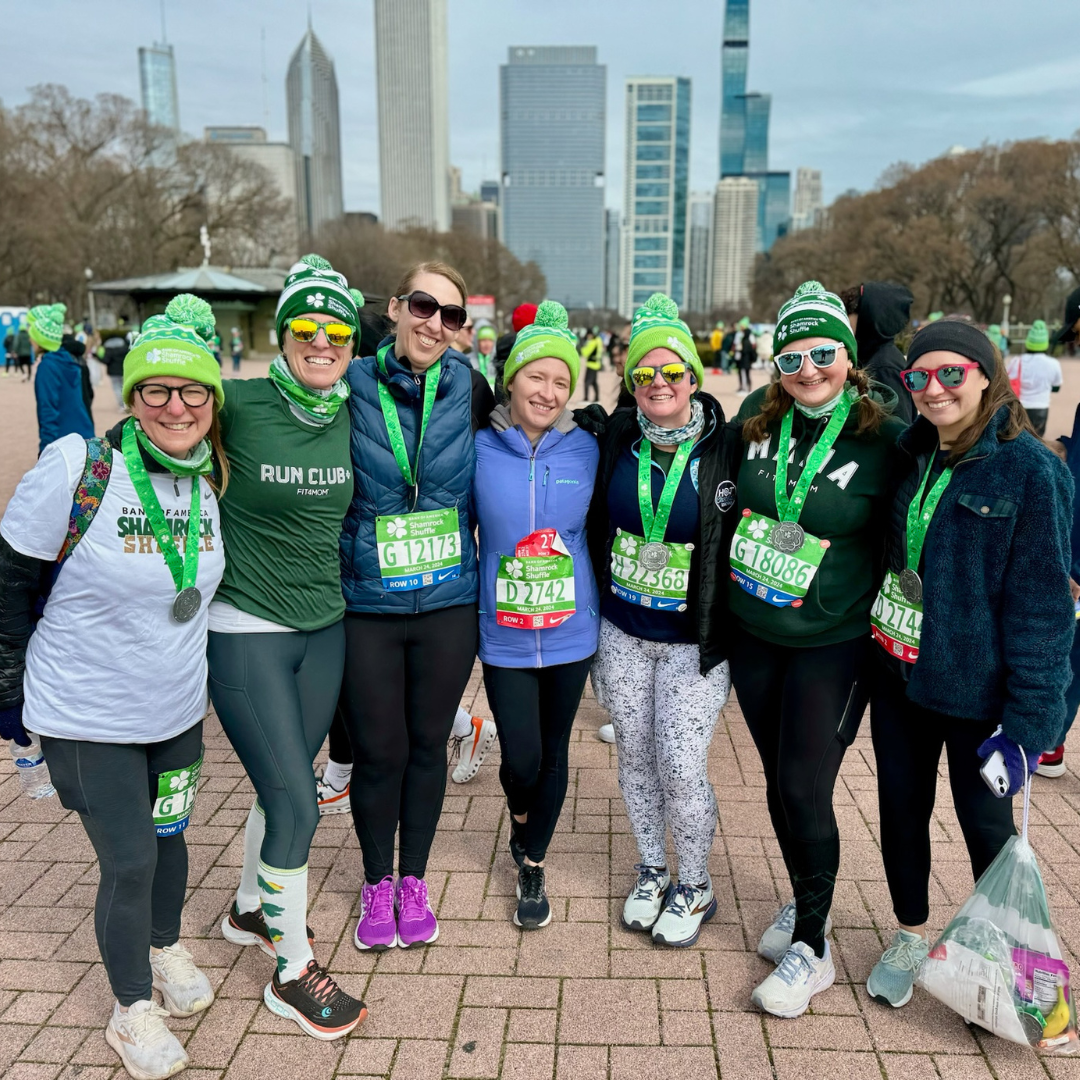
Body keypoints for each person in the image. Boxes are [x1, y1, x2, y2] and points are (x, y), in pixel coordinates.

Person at [0, 296, 227, 1080]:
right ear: (131, 397)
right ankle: (130, 1008)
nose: (176, 406)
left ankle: (162, 949)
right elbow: (9, 581)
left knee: (170, 843)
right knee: (128, 861)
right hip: (86, 712)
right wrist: (6, 689)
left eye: (193, 391)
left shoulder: (208, 478)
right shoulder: (78, 467)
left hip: (174, 710)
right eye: (156, 390)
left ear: (211, 402)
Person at [865, 319, 1073, 1009]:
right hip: (900, 675)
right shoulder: (911, 449)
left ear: (987, 375)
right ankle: (909, 933)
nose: (934, 388)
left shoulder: (1033, 471)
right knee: (900, 812)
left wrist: (1030, 723)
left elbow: (1044, 610)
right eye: (919, 376)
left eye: (952, 373)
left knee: (987, 829)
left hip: (979, 694)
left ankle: (1016, 972)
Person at [728, 281, 906, 1018]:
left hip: (832, 641)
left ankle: (814, 948)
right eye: (792, 355)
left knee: (805, 786)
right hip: (754, 631)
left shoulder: (884, 434)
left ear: (849, 355)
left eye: (823, 352)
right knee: (776, 783)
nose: (808, 369)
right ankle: (812, 905)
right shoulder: (755, 419)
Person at [208, 255, 367, 1039]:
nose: (322, 340)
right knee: (299, 805)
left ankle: (246, 910)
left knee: (284, 789)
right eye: (306, 327)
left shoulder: (351, 409)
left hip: (325, 628)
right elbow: (148, 431)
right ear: (282, 333)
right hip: (247, 631)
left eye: (337, 330)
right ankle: (291, 969)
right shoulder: (236, 403)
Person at [339, 261, 485, 952]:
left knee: (428, 746)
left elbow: (529, 434)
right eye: (425, 306)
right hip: (368, 601)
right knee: (379, 750)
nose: (435, 324)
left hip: (449, 602)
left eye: (451, 316)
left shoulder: (470, 387)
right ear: (396, 307)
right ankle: (375, 881)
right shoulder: (352, 382)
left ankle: (414, 880)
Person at [587, 293, 735, 948]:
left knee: (680, 761)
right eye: (644, 374)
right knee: (638, 759)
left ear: (694, 378)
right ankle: (652, 868)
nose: (658, 385)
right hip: (620, 634)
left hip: (691, 646)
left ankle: (696, 883)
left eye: (672, 372)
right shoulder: (615, 435)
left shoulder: (726, 449)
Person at [473, 300, 598, 928]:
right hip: (505, 634)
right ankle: (521, 814)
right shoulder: (478, 449)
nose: (547, 392)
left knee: (554, 751)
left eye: (560, 382)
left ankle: (532, 861)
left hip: (573, 632)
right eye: (535, 378)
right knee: (521, 758)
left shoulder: (588, 448)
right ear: (511, 380)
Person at [843, 282, 916, 425]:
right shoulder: (870, 355)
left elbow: (899, 425)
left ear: (868, 316)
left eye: (849, 314)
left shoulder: (884, 366)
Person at [30, 303, 95, 456]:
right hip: (84, 435)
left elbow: (48, 409)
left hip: (63, 441)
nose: (30, 341)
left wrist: (46, 450)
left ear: (40, 341)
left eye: (32, 337)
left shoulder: (47, 366)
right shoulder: (69, 361)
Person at [1007, 320, 1062, 436]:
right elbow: (1056, 388)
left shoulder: (1017, 361)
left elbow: (1007, 383)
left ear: (1028, 341)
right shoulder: (1053, 364)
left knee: (1017, 440)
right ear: (1045, 342)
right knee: (1037, 441)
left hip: (1019, 408)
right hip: (1041, 408)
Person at [102, 331, 130, 410]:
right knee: (124, 387)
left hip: (113, 372)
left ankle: (121, 405)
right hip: (124, 371)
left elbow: (105, 360)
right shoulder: (125, 348)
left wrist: (96, 357)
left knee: (116, 388)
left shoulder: (109, 349)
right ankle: (127, 403)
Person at [733, 317, 756, 394]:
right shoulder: (738, 334)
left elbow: (753, 346)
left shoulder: (750, 335)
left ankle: (748, 387)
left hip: (745, 356)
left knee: (747, 373)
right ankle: (741, 386)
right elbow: (735, 344)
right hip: (739, 355)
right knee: (740, 372)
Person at [580, 327, 603, 403]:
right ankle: (597, 398)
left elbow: (585, 353)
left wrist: (581, 347)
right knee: (594, 382)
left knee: (587, 381)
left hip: (591, 364)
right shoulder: (598, 340)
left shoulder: (593, 342)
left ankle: (586, 398)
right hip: (596, 364)